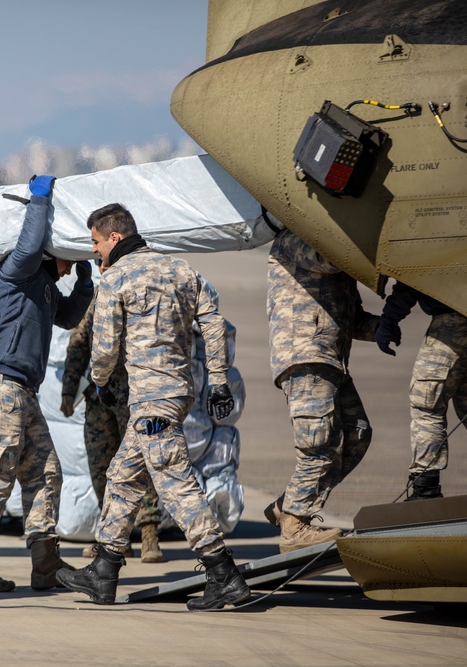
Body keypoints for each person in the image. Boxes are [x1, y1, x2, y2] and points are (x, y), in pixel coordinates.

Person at [57, 203, 249, 611]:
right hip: (177, 393)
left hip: (149, 400)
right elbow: (213, 321)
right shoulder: (182, 271)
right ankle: (104, 570)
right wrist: (217, 379)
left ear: (114, 238)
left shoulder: (116, 278)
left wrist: (101, 383)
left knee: (176, 484)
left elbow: (104, 346)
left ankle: (223, 574)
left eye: (95, 242)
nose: (94, 252)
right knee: (123, 476)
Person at [0, 175, 94, 593]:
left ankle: (45, 563)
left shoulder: (47, 290)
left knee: (46, 473)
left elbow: (69, 318)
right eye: (67, 257)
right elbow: (31, 244)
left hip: (19, 393)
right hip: (0, 388)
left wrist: (84, 283)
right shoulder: (17, 271)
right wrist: (40, 198)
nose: (69, 264)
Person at [264, 229, 381, 552]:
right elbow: (330, 260)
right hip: (305, 356)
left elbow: (352, 317)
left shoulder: (338, 254)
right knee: (318, 445)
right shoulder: (296, 239)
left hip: (331, 359)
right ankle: (295, 526)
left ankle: (289, 504)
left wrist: (383, 328)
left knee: (358, 433)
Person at [61, 291, 165, 564]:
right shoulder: (96, 297)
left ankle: (149, 533)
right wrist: (69, 390)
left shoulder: (140, 292)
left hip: (134, 394)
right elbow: (79, 343)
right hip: (100, 396)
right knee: (101, 465)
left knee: (141, 461)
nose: (102, 266)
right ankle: (114, 538)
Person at [376, 281, 466, 500]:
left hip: (452, 322)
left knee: (427, 403)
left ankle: (426, 491)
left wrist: (389, 320)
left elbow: (414, 273)